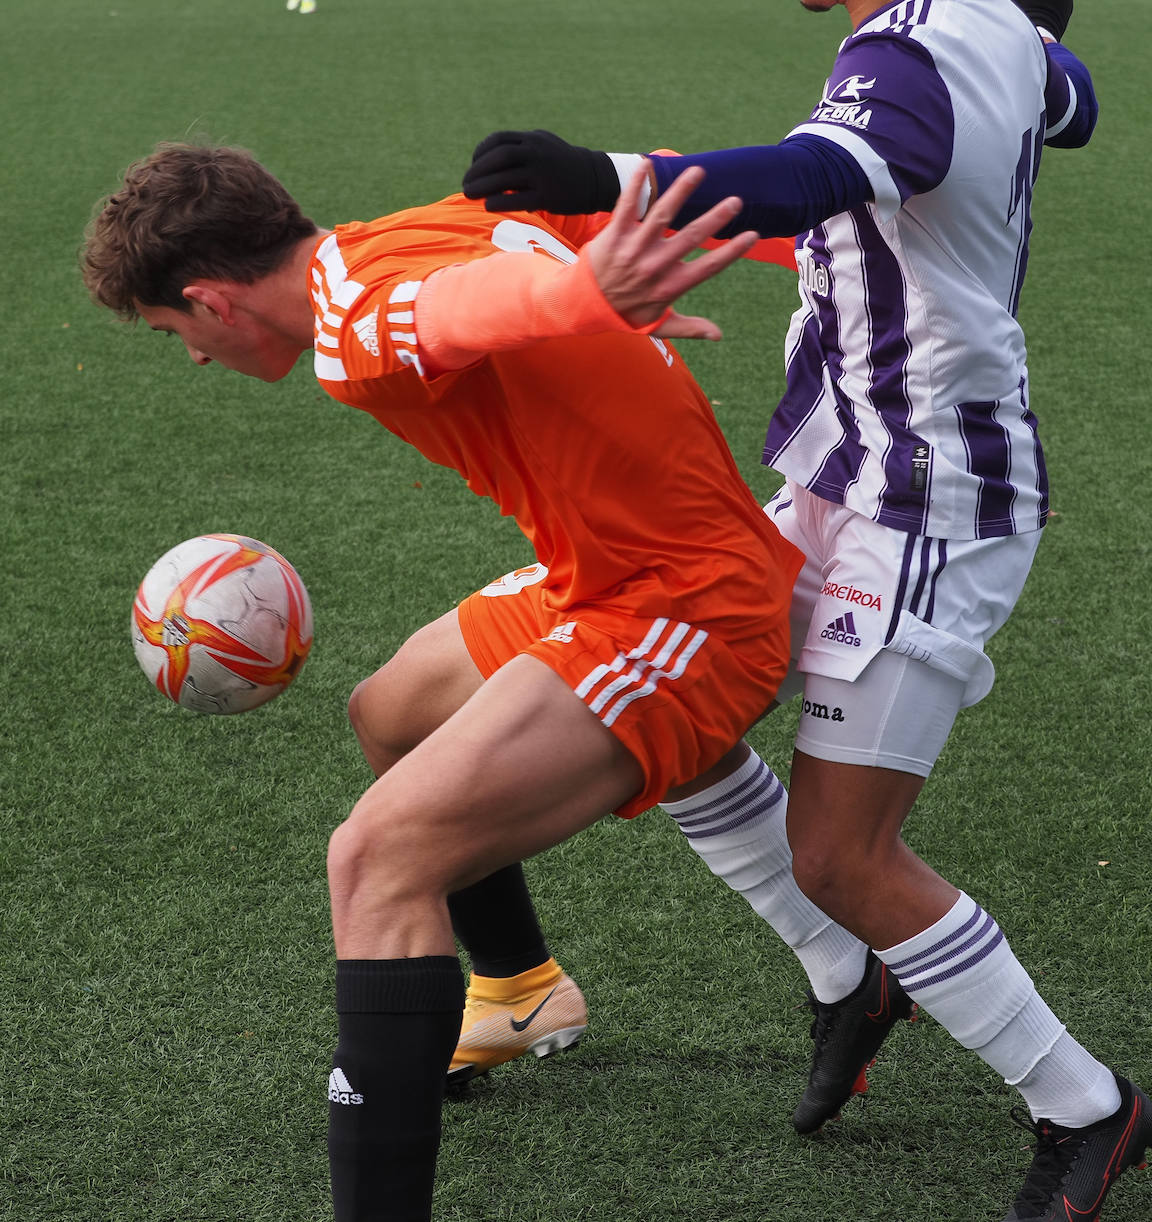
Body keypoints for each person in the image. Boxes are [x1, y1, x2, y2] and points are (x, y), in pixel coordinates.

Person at [458, 0, 1152, 1219]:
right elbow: (1067, 108)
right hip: (846, 471)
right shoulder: (984, 27)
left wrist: (604, 177)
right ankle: (855, 975)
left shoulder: (908, 59)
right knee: (671, 686)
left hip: (925, 499)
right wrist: (1049, 36)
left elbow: (808, 174)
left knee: (847, 852)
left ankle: (1091, 1106)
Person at [82, 144, 808, 1222]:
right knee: (393, 712)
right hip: (597, 573)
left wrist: (578, 294)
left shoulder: (354, 330)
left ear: (212, 300)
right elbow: (607, 215)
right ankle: (519, 988)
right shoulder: (407, 228)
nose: (188, 355)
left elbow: (452, 314)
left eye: (172, 332)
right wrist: (804, 234)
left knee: (374, 861)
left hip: (684, 604)